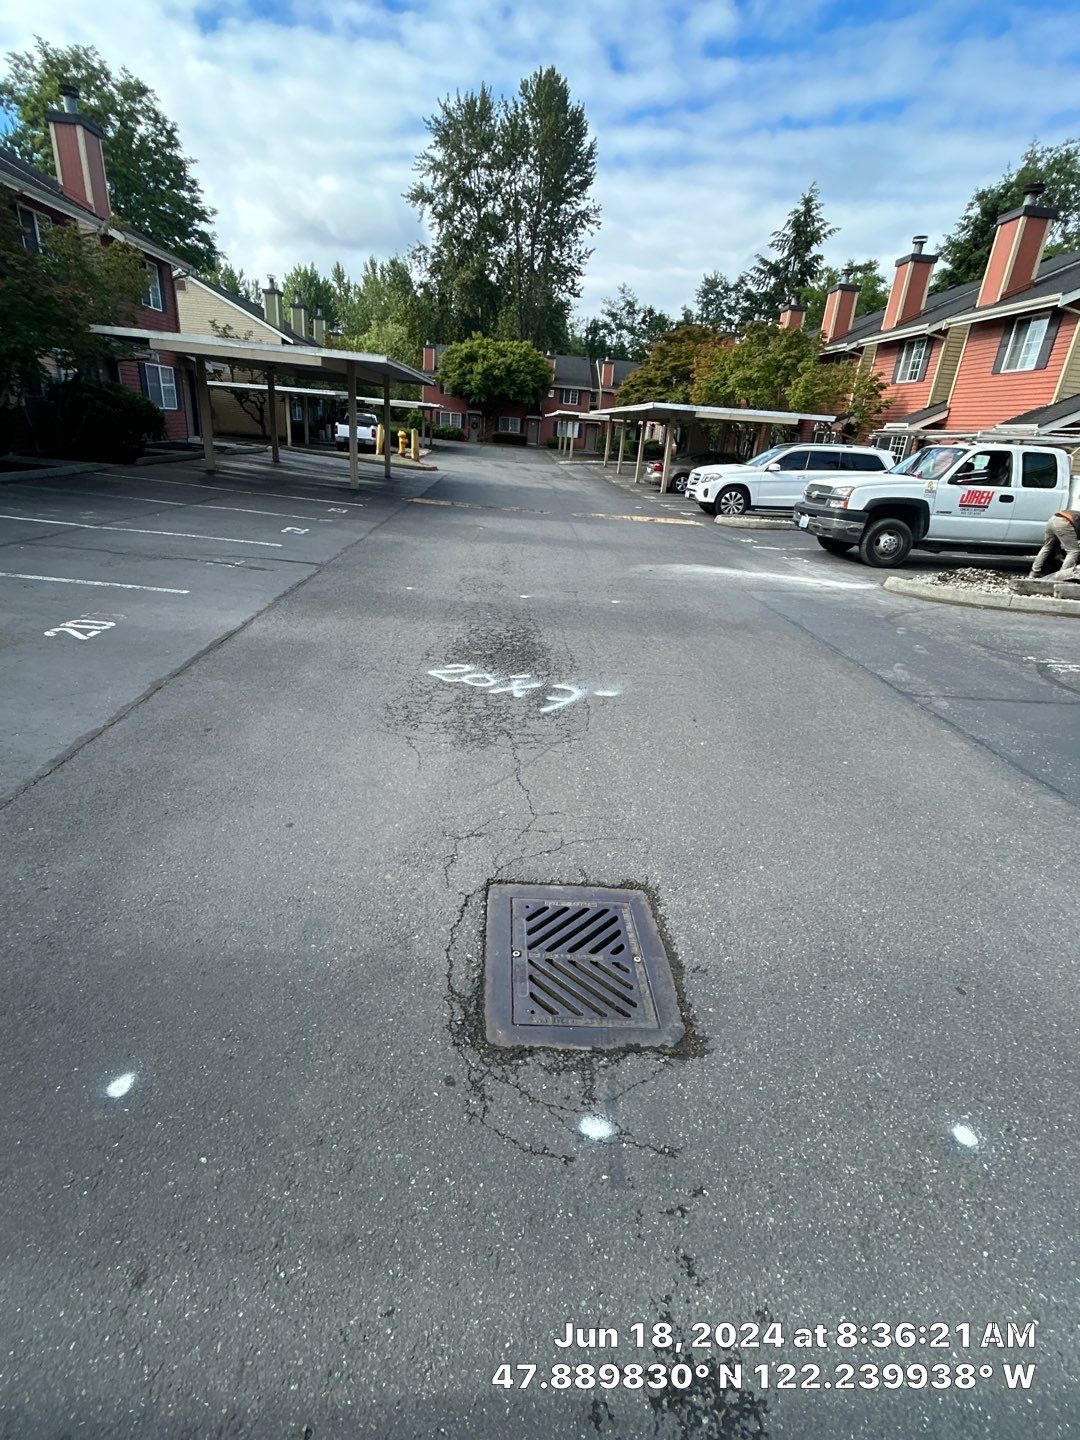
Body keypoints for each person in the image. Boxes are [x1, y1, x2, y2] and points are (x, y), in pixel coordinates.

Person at [1029, 508, 1080, 579]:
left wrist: (1058, 553)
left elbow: (1058, 540)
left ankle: (1034, 572)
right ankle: (1062, 576)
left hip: (1052, 519)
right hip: (1064, 522)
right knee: (1074, 551)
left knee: (1047, 547)